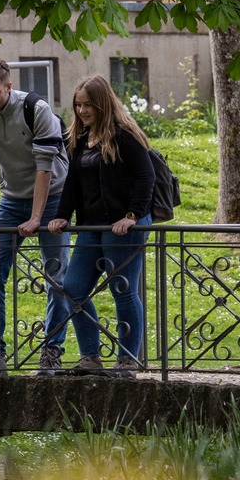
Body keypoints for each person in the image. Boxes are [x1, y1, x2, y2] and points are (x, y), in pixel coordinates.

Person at [0, 58, 69, 372]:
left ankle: (52, 351)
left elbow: (44, 167)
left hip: (52, 196)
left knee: (56, 276)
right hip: (11, 199)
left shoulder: (36, 110)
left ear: (9, 87)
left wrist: (37, 218)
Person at [44, 74, 155, 371]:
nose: (82, 111)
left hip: (124, 225)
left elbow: (147, 178)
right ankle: (90, 356)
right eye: (78, 105)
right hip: (91, 227)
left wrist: (131, 216)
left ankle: (127, 360)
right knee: (72, 289)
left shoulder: (124, 135)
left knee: (123, 289)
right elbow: (72, 184)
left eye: (88, 105)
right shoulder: (79, 139)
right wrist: (62, 216)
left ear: (103, 104)